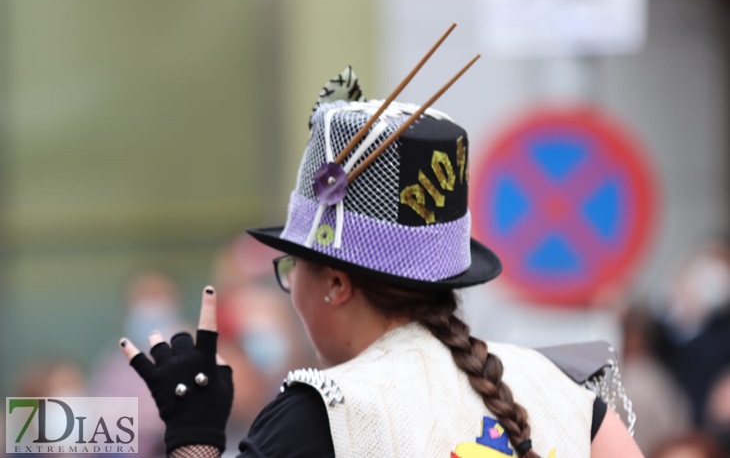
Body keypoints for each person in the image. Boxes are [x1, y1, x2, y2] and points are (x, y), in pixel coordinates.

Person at [118, 60, 643, 457]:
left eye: (291, 268)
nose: (291, 287)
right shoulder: (563, 391)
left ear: (337, 284)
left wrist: (194, 433)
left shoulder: (328, 412)